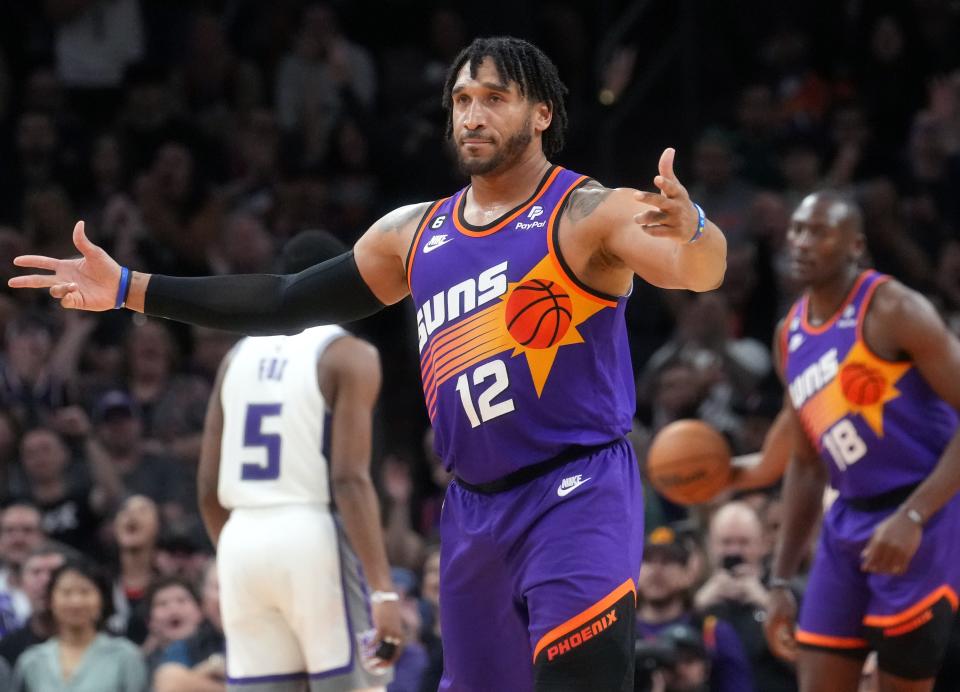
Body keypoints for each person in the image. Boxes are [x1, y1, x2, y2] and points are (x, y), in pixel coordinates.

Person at [9, 36, 727, 690]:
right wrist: (132, 288)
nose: (473, 116)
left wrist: (693, 229)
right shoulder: (414, 232)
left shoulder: (587, 212)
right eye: (462, 101)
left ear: (541, 114)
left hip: (576, 487)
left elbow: (697, 271)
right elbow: (287, 300)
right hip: (472, 507)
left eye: (494, 99)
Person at [761, 191, 960, 692]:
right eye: (799, 229)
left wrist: (913, 516)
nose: (803, 242)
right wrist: (781, 580)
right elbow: (806, 466)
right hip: (848, 518)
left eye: (820, 232)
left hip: (924, 514)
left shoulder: (894, 308)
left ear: (855, 246)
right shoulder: (790, 334)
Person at [195, 229, 403, 690]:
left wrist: (237, 553)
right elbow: (350, 479)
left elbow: (208, 489)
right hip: (310, 534)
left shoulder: (235, 357)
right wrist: (383, 589)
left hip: (240, 542)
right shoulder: (349, 354)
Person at [11, 559, 148, 691]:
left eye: (85, 592)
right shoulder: (32, 661)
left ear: (102, 599)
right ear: (51, 600)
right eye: (66, 592)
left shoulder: (125, 656)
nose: (76, 602)